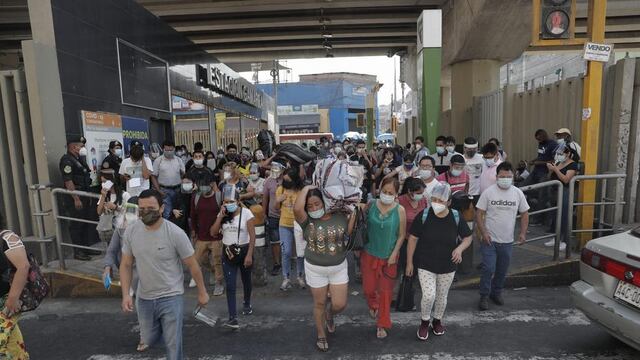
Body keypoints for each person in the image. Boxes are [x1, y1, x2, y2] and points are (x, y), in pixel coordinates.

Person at [120, 189, 209, 360]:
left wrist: (202, 292)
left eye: (151, 208)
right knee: (148, 339)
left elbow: (193, 265)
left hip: (171, 296)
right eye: (142, 208)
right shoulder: (131, 231)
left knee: (173, 345)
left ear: (162, 208)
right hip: (144, 298)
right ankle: (162, 334)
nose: (145, 212)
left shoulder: (175, 233)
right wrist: (126, 294)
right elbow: (126, 264)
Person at [293, 185, 357, 351]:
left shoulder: (340, 215)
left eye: (317, 204)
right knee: (319, 303)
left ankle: (330, 314)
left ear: (325, 202)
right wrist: (307, 187)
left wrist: (355, 211)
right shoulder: (306, 220)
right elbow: (297, 207)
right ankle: (321, 335)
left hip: (339, 267)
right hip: (315, 269)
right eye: (310, 206)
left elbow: (349, 232)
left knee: (339, 304)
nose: (314, 208)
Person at [406, 182, 473, 340]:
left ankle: (437, 321)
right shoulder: (423, 215)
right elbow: (413, 239)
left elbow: (468, 237)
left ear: (449, 202)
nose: (437, 203)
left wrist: (459, 249)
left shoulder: (456, 216)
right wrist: (409, 262)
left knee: (442, 296)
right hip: (425, 264)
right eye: (434, 199)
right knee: (429, 295)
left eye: (441, 200)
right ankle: (424, 322)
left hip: (448, 265)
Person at [476, 162, 529, 311]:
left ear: (513, 177)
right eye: (502, 176)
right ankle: (484, 296)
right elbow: (479, 213)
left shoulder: (517, 193)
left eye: (509, 176)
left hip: (507, 241)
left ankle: (496, 293)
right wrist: (484, 232)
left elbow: (524, 213)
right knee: (488, 268)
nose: (505, 179)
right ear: (496, 176)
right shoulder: (488, 192)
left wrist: (523, 233)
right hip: (489, 240)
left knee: (502, 270)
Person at [361, 177, 406, 339]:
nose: (386, 195)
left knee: (385, 293)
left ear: (396, 194)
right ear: (379, 189)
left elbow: (401, 236)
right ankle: (373, 304)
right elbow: (360, 224)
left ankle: (382, 324)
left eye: (390, 193)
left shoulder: (400, 210)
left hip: (389, 258)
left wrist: (394, 254)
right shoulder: (371, 205)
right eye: (384, 191)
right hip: (369, 255)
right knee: (368, 289)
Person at [102, 196, 147, 352]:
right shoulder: (120, 229)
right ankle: (145, 335)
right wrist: (107, 268)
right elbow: (112, 251)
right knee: (141, 304)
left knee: (146, 304)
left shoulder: (148, 227)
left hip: (148, 272)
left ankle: (150, 332)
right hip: (130, 273)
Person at [210, 185, 256, 329]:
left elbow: (252, 236)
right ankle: (232, 317)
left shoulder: (247, 213)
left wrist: (249, 255)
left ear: (237, 200)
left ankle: (247, 303)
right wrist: (220, 217)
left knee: (246, 280)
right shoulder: (222, 215)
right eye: (225, 202)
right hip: (228, 252)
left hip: (244, 251)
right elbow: (213, 232)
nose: (228, 204)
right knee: (230, 285)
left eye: (230, 201)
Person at [59, 134, 97, 261]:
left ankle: (85, 248)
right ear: (73, 147)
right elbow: (68, 181)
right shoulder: (67, 161)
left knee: (86, 223)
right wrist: (76, 199)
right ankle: (78, 251)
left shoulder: (79, 159)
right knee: (77, 225)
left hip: (85, 195)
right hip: (76, 197)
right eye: (81, 146)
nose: (83, 148)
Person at [188, 176, 224, 296]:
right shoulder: (196, 198)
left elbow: (224, 215)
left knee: (217, 260)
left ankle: (219, 283)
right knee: (199, 260)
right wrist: (193, 230)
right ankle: (213, 272)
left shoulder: (219, 197)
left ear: (212, 185)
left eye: (205, 186)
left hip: (216, 236)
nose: (203, 189)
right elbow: (193, 215)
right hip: (201, 236)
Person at [0, 220, 30, 359]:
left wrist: (13, 299)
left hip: (4, 303)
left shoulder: (7, 237)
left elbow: (23, 266)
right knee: (12, 344)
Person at [276, 167, 305, 290]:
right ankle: (286, 278)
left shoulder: (301, 191)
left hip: (298, 224)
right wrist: (278, 200)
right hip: (284, 224)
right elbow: (276, 208)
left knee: (300, 252)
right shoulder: (280, 189)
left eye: (288, 180)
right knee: (286, 252)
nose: (286, 182)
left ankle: (300, 276)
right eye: (284, 180)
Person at [545, 144, 579, 250]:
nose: (558, 155)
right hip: (555, 192)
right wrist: (551, 169)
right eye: (557, 154)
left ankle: (565, 240)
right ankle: (556, 238)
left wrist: (555, 170)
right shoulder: (559, 163)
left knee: (564, 216)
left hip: (565, 192)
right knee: (555, 215)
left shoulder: (573, 165)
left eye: (560, 154)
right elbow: (549, 177)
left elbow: (566, 179)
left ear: (568, 154)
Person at [397, 178, 428, 275]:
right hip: (404, 239)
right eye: (418, 193)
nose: (420, 195)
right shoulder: (400, 201)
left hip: (419, 239)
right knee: (404, 265)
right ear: (410, 191)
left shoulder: (423, 200)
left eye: (422, 192)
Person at [151, 140, 185, 220]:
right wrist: (159, 190)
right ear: (163, 149)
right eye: (167, 150)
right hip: (164, 190)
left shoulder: (178, 160)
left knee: (179, 212)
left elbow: (183, 175)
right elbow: (153, 176)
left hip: (178, 189)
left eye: (171, 150)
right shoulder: (158, 160)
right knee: (167, 213)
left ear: (174, 149)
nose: (169, 152)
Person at [96, 169, 130, 246]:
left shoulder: (125, 195)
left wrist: (116, 207)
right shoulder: (104, 195)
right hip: (109, 229)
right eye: (102, 182)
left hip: (122, 229)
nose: (103, 184)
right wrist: (103, 196)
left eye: (105, 182)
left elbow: (130, 212)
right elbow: (99, 212)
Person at [262, 162, 284, 276]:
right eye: (273, 168)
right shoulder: (268, 182)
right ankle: (277, 263)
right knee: (275, 241)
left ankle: (286, 261)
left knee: (285, 240)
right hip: (272, 216)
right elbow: (265, 198)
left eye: (277, 168)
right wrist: (264, 213)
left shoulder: (287, 181)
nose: (275, 170)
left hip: (285, 216)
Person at [462, 137, 484, 203]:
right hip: (464, 194)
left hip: (478, 194)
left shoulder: (482, 158)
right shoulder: (460, 159)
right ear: (464, 148)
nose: (471, 151)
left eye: (474, 149)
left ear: (477, 148)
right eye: (469, 149)